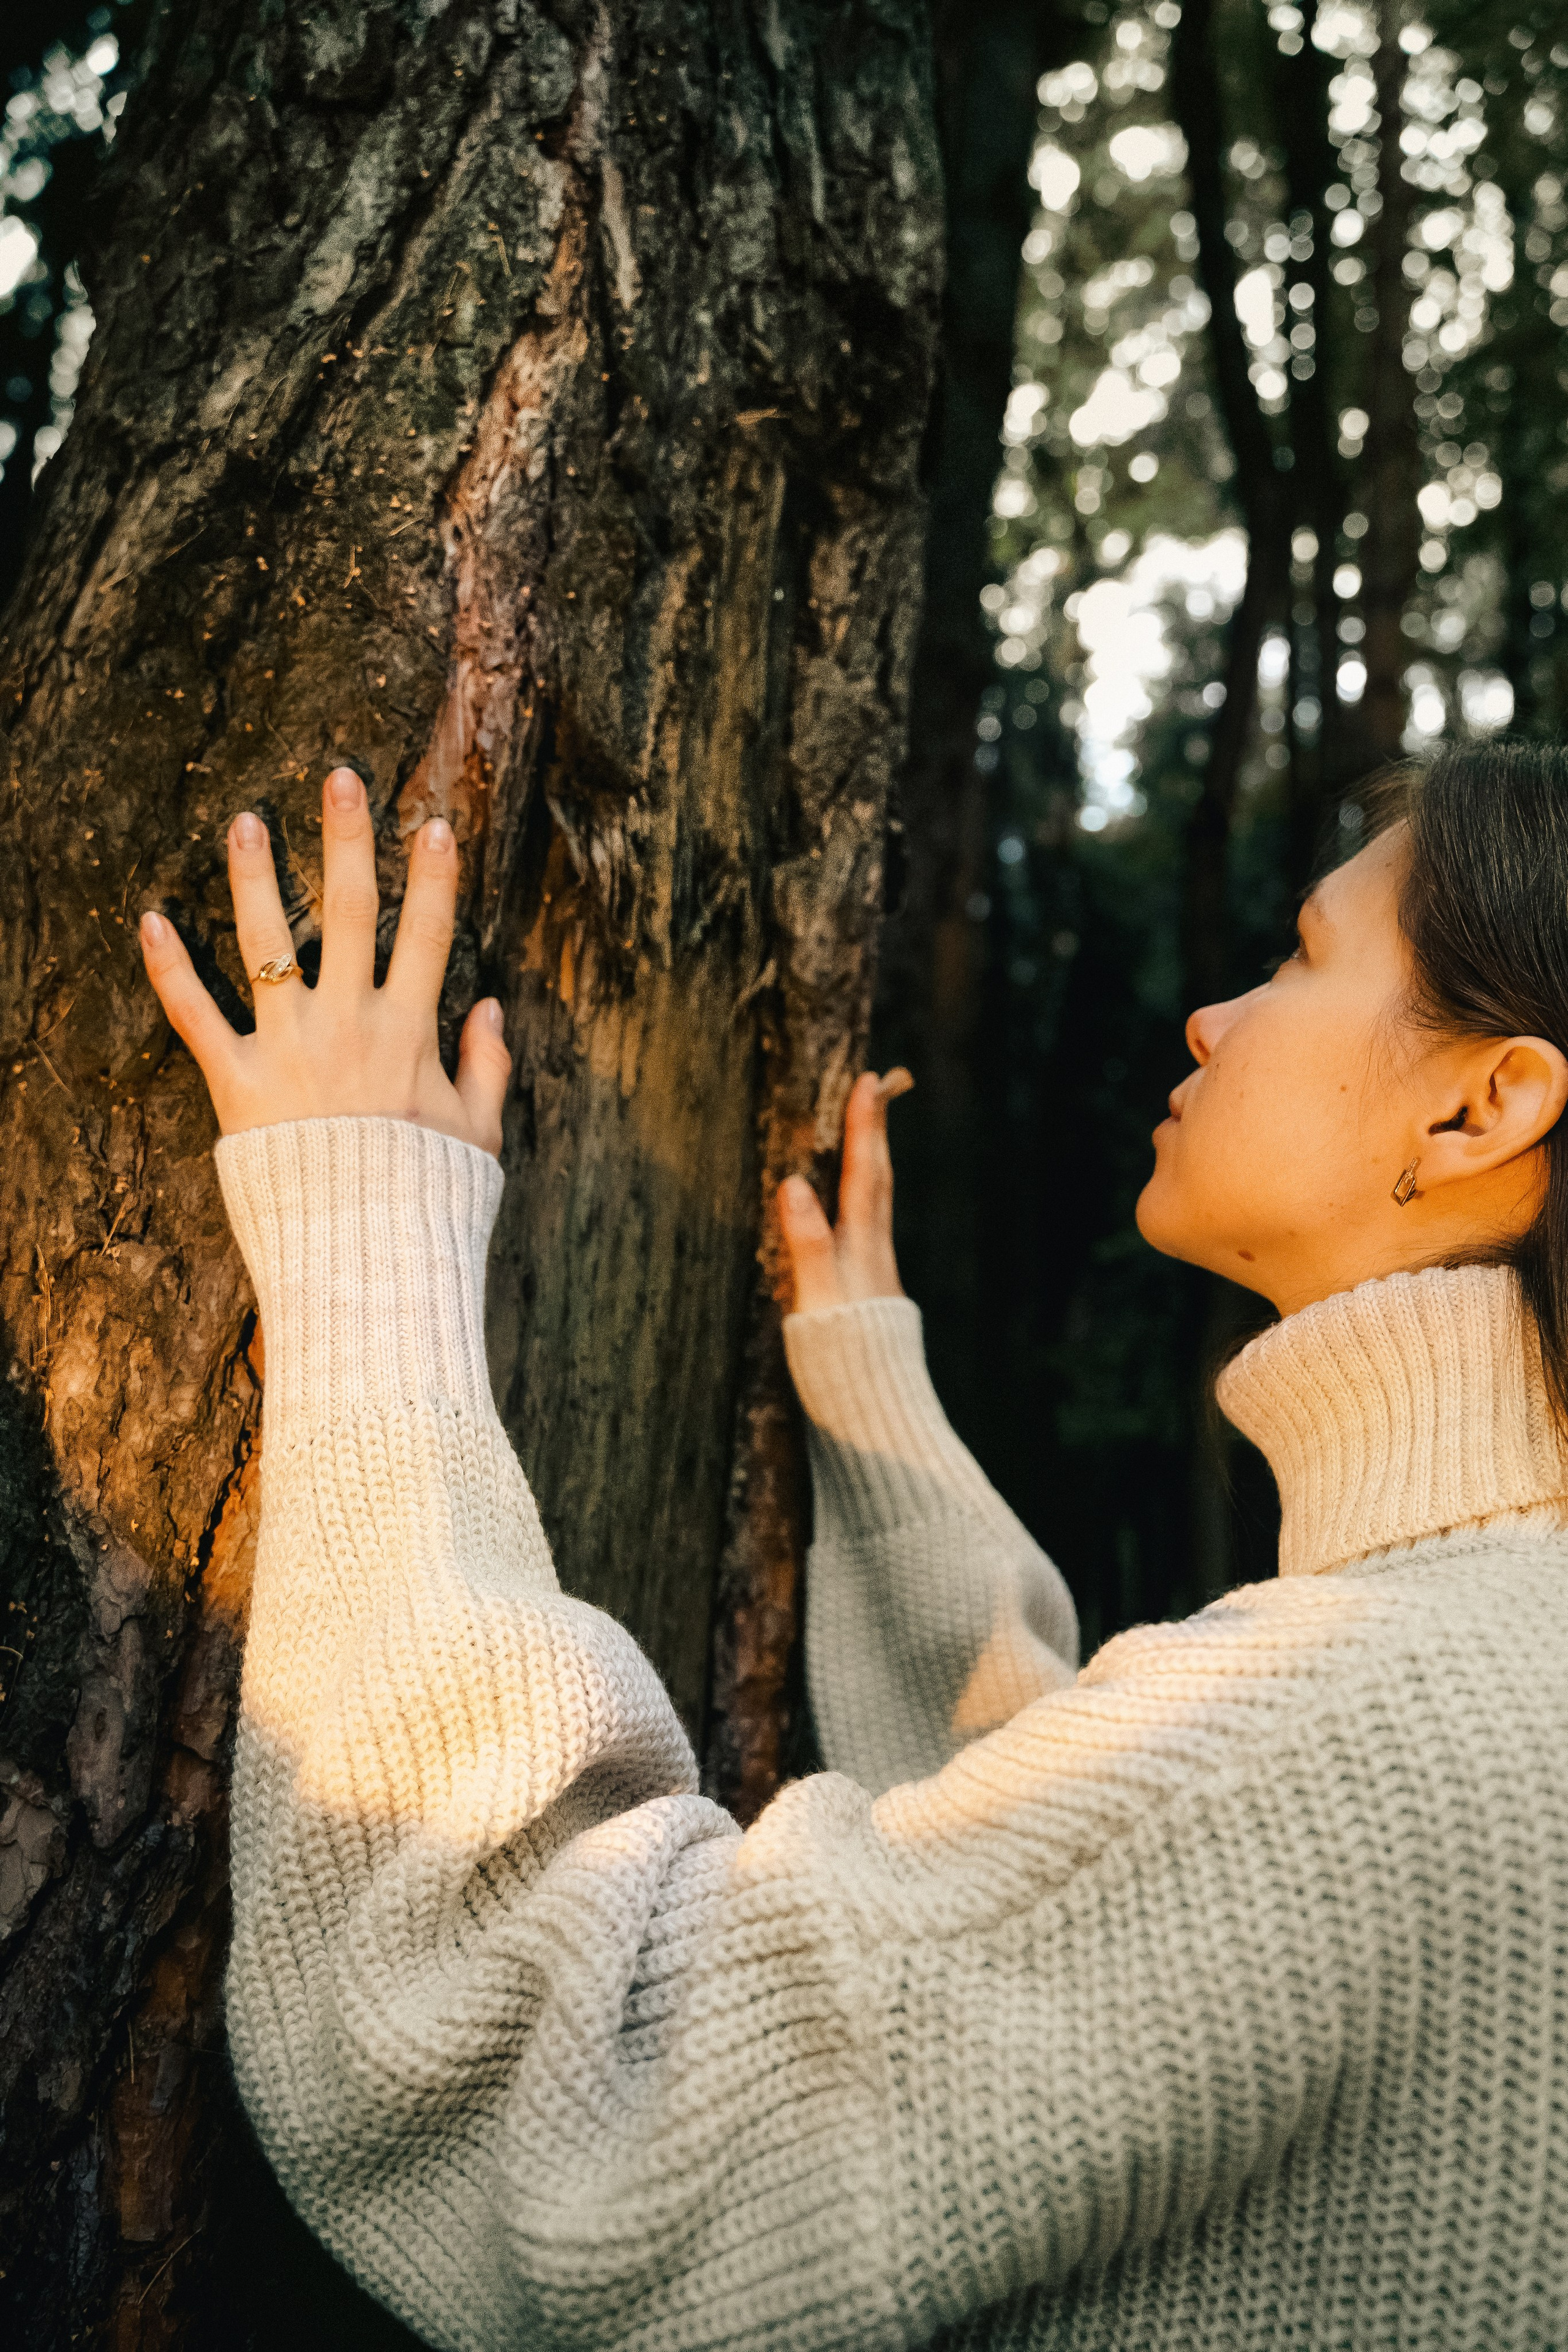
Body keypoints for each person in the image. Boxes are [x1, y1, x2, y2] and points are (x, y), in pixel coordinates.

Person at [138, 742, 1568, 2351]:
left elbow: (559, 2127)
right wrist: (877, 1404)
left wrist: (367, 1240)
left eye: (1303, 957)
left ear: (1482, 1105)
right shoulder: (1492, 1670)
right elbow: (1116, 1917)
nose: (1213, 1018)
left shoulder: (1359, 1734)